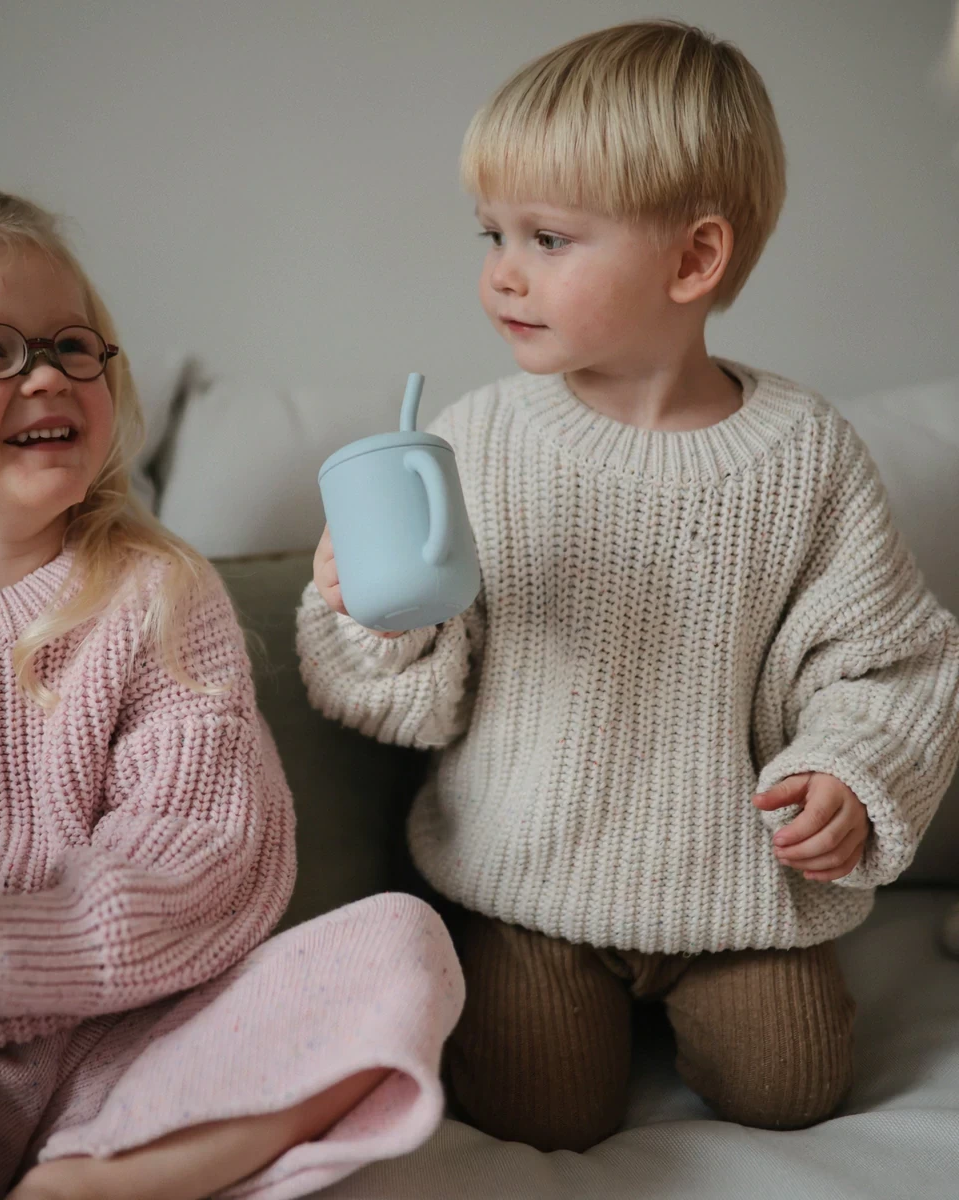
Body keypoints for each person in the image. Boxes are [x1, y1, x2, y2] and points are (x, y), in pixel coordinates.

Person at [297, 20, 959, 1152]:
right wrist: (370, 615)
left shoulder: (807, 455)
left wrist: (850, 772)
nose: (501, 270)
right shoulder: (480, 439)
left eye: (548, 237)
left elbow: (888, 660)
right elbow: (406, 703)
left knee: (795, 1087)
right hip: (525, 880)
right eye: (494, 232)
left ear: (694, 260)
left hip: (732, 891)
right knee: (539, 1109)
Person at [0, 179, 462, 1200]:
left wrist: (1, 948)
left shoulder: (156, 597)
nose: (45, 374)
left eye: (72, 346)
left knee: (401, 948)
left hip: (129, 1041)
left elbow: (211, 850)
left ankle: (91, 1186)